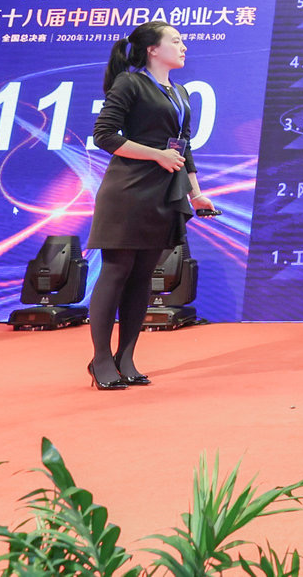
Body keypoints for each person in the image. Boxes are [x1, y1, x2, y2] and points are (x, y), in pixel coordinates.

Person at [85, 20, 213, 390]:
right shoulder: (131, 82)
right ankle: (101, 359)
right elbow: (104, 135)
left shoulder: (182, 92)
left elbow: (183, 148)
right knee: (116, 271)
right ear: (153, 49)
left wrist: (195, 193)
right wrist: (156, 155)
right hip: (127, 190)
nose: (183, 46)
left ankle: (126, 357)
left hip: (163, 193)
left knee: (143, 277)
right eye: (176, 40)